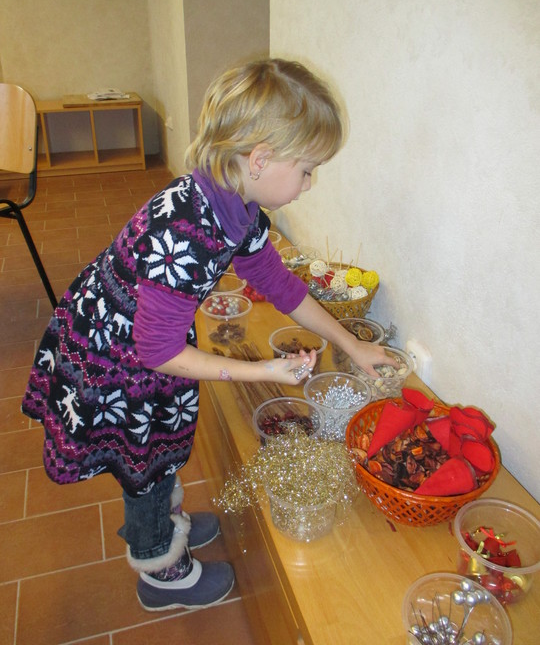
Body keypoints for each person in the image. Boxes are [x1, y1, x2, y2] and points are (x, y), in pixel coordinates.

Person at [22, 58, 395, 612]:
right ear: (260, 159)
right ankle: (159, 568)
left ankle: (164, 518)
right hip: (114, 359)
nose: (310, 184)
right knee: (144, 463)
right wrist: (262, 370)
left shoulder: (234, 202)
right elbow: (159, 352)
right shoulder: (189, 230)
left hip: (140, 343)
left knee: (160, 453)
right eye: (307, 169)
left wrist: (353, 344)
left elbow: (276, 281)